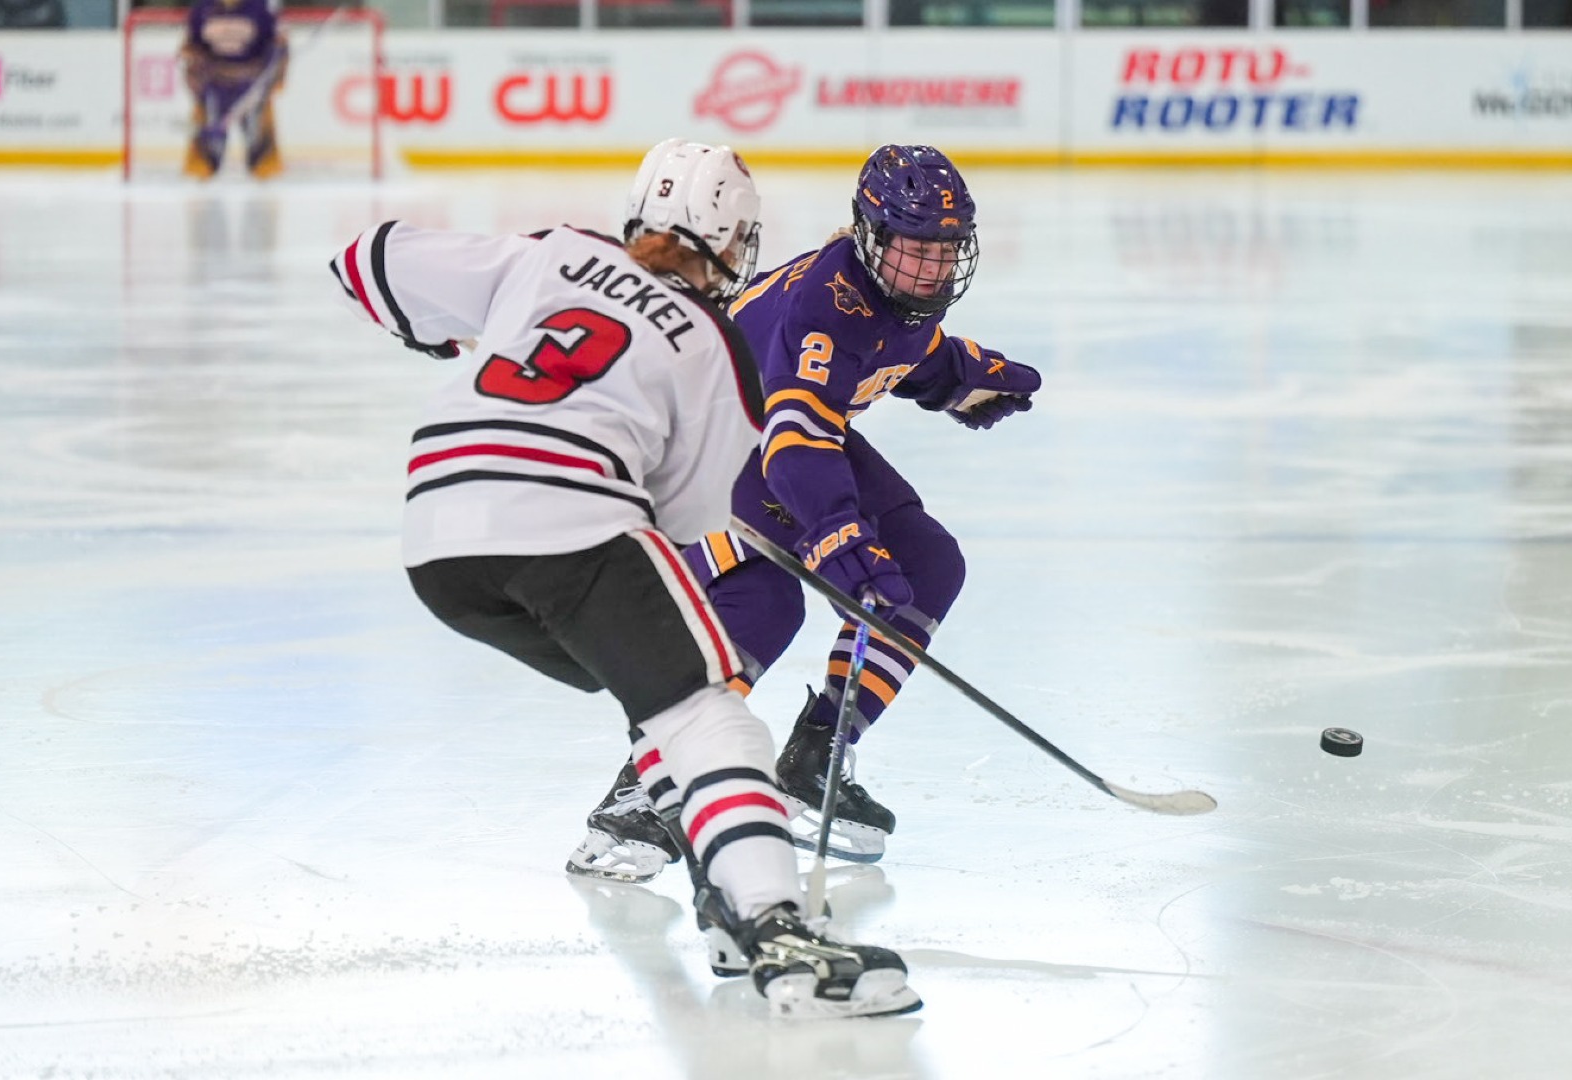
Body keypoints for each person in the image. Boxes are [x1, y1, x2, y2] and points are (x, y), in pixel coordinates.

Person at [329, 138, 921, 1020]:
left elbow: (366, 262)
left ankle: (722, 890)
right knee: (703, 709)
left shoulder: (549, 253)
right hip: (567, 518)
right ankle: (775, 927)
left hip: (437, 532)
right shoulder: (716, 345)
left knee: (657, 697)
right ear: (733, 241)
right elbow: (687, 519)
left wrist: (445, 335)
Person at [568, 144, 1041, 879]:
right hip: (717, 450)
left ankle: (817, 756)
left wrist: (963, 377)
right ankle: (642, 793)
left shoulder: (891, 292)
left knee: (927, 563)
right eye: (917, 249)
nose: (932, 268)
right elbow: (797, 442)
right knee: (764, 604)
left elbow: (903, 353)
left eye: (946, 250)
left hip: (777, 437)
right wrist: (835, 532)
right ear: (872, 237)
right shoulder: (825, 304)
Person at [180, 0, 288, 179]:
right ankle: (202, 171)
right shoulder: (203, 7)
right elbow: (192, 46)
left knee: (263, 159)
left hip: (252, 86)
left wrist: (275, 74)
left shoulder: (260, 7)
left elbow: (277, 45)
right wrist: (193, 71)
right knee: (203, 163)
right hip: (213, 86)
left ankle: (265, 174)